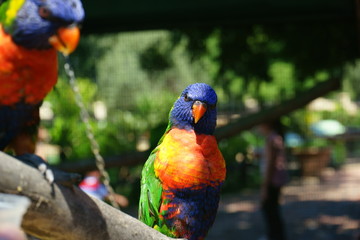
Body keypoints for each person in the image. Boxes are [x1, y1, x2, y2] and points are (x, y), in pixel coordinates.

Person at [258, 119, 288, 240]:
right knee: (273, 209)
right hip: (277, 180)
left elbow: (271, 164)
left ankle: (274, 236)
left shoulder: (271, 139)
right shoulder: (276, 137)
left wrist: (265, 186)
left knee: (269, 209)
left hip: (272, 180)